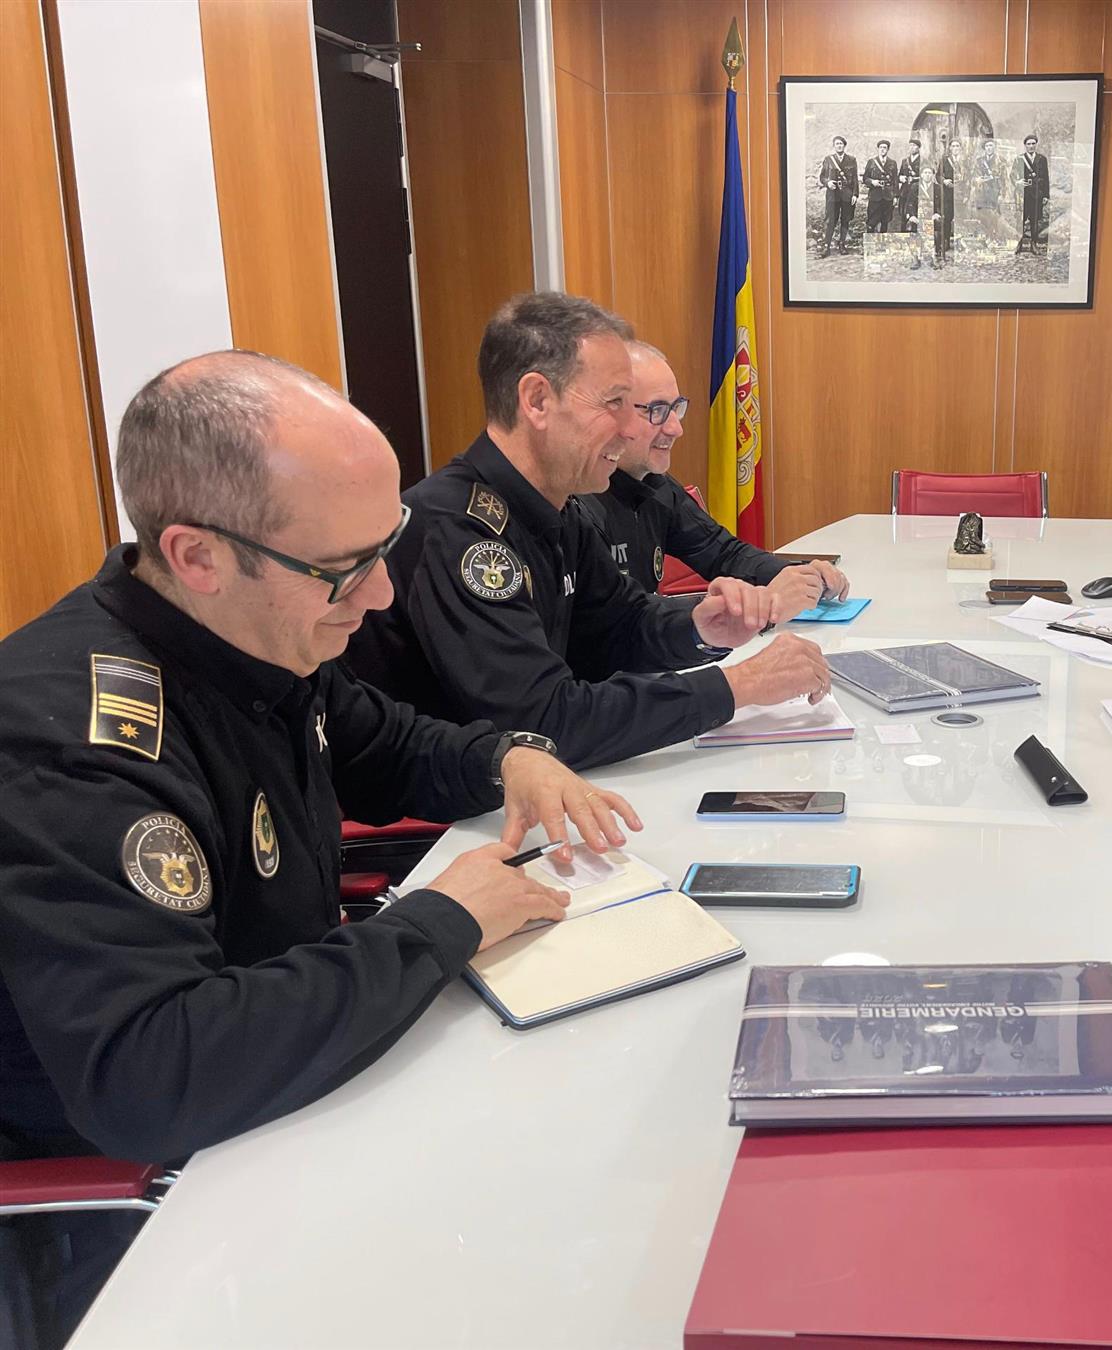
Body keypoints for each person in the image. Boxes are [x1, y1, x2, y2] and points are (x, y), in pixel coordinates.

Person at [0, 351, 636, 1349]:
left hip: (295, 1086)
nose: (383, 596)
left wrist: (512, 756)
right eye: (347, 569)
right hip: (161, 1213)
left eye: (388, 548)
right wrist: (440, 925)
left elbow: (389, 744)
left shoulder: (253, 632)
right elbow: (150, 1073)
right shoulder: (75, 740)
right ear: (198, 555)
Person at [347, 293, 830, 770]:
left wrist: (703, 626)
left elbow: (619, 623)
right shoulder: (458, 532)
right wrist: (738, 686)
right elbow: (542, 725)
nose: (629, 428)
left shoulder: (558, 507)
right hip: (445, 826)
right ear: (536, 400)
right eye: (615, 403)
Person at [585, 341, 848, 609]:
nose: (676, 428)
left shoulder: (655, 486)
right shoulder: (580, 502)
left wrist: (795, 575)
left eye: (676, 408)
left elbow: (723, 553)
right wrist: (756, 603)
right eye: (657, 411)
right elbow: (619, 619)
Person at [817, 134, 858, 255]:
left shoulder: (852, 159)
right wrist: (828, 182)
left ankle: (842, 245)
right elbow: (822, 177)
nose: (839, 146)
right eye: (837, 144)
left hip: (847, 194)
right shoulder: (828, 159)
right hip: (832, 195)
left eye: (841, 144)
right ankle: (826, 246)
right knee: (830, 221)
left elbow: (855, 179)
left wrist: (855, 194)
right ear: (834, 146)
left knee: (845, 220)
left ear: (844, 146)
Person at [1012, 134, 1049, 255]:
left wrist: (1045, 196)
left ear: (1036, 145)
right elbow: (1012, 175)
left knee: (1034, 219)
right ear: (1025, 145)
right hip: (1023, 194)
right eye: (1029, 144)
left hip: (1037, 194)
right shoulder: (1019, 159)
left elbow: (1046, 178)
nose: (1031, 146)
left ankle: (1034, 244)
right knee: (1021, 219)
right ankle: (1019, 243)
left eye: (1033, 143)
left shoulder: (1042, 159)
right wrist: (1017, 181)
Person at [932, 137, 960, 266]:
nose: (955, 148)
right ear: (950, 148)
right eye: (953, 146)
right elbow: (938, 175)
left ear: (960, 149)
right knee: (947, 217)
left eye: (957, 146)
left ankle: (961, 243)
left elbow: (970, 175)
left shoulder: (965, 161)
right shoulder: (944, 160)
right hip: (948, 194)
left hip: (961, 194)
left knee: (961, 218)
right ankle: (947, 241)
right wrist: (944, 181)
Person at [972, 137, 1003, 243]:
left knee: (994, 215)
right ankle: (986, 236)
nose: (989, 148)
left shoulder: (1000, 160)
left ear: (994, 147)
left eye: (991, 146)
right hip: (982, 192)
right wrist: (978, 179)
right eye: (987, 146)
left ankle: (995, 237)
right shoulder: (979, 161)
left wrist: (1001, 194)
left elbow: (1003, 179)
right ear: (984, 148)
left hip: (994, 191)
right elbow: (975, 175)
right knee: (983, 215)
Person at [863, 139, 897, 234]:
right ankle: (870, 244)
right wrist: (872, 182)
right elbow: (865, 178)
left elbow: (895, 180)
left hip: (888, 197)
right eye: (881, 147)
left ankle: (882, 245)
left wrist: (895, 196)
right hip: (875, 196)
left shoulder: (892, 163)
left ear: (888, 150)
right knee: (871, 222)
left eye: (885, 148)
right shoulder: (871, 162)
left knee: (885, 222)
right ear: (878, 149)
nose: (882, 149)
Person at [897, 136, 924, 233]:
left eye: (914, 145)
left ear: (918, 148)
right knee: (903, 215)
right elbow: (899, 175)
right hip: (905, 191)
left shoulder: (923, 161)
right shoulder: (905, 161)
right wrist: (901, 178)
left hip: (917, 192)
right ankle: (903, 238)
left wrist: (915, 179)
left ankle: (915, 239)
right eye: (910, 145)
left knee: (915, 216)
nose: (912, 147)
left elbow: (927, 176)